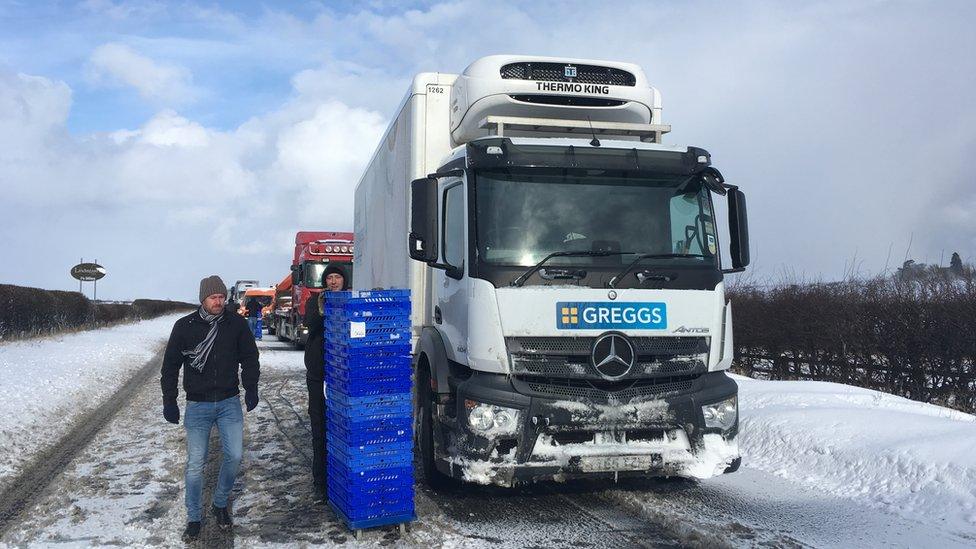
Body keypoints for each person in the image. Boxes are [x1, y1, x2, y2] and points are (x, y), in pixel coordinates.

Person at [161, 275, 261, 541]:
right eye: (213, 297)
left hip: (229, 401)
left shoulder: (236, 324)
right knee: (195, 464)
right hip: (198, 405)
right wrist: (169, 401)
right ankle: (194, 517)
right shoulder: (185, 326)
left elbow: (250, 357)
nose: (219, 302)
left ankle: (219, 503)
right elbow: (170, 366)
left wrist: (251, 388)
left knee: (235, 456)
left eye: (221, 297)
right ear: (202, 299)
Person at [304, 264, 348, 503]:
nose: (333, 282)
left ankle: (340, 479)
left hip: (342, 374)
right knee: (320, 425)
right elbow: (310, 323)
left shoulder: (351, 301)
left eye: (337, 277)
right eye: (329, 278)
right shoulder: (315, 301)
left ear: (344, 280)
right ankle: (320, 482)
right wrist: (321, 311)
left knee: (341, 427)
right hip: (319, 373)